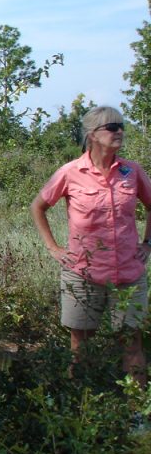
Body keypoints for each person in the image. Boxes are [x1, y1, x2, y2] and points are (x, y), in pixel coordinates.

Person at [30, 106, 151, 388]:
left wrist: (148, 243)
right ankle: (80, 411)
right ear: (92, 135)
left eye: (121, 126)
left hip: (128, 274)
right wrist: (53, 248)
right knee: (80, 345)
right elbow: (38, 207)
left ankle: (137, 416)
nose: (119, 131)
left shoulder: (131, 172)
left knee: (132, 342)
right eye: (111, 127)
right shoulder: (70, 172)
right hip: (83, 273)